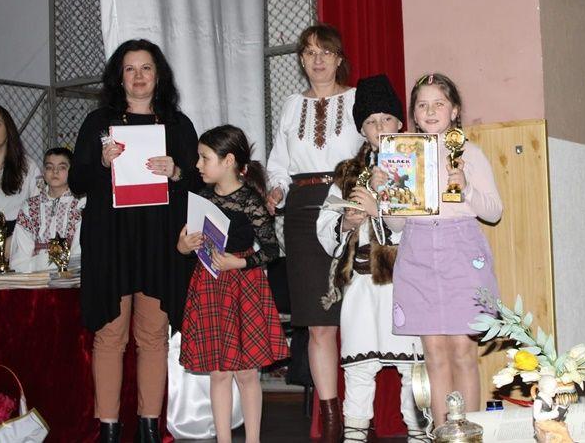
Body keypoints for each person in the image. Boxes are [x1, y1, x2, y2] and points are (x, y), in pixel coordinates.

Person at [69, 39, 199, 443]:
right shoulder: (98, 123)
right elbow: (76, 181)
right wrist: (101, 162)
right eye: (130, 68)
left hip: (159, 243)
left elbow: (199, 183)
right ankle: (109, 429)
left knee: (153, 337)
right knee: (110, 336)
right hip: (111, 243)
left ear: (158, 75)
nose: (139, 76)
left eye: (146, 68)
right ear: (118, 77)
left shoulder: (178, 125)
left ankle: (149, 428)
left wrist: (176, 171)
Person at [265, 24, 364, 441]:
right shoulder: (291, 105)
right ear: (302, 61)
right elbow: (278, 162)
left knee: (357, 319)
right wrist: (276, 188)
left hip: (350, 206)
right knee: (320, 325)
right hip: (303, 213)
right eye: (309, 53)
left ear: (339, 58)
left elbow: (375, 149)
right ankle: (331, 420)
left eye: (325, 52)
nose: (317, 60)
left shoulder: (358, 99)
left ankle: (360, 415)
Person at [316, 75, 427, 442]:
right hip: (362, 282)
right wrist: (347, 222)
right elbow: (325, 225)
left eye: (386, 119)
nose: (380, 128)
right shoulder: (348, 174)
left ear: (400, 123)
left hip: (403, 282)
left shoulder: (416, 164)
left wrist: (380, 208)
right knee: (359, 368)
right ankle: (354, 435)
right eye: (371, 121)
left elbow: (420, 227)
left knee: (413, 367)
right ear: (361, 130)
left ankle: (419, 433)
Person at [388, 73, 503, 425]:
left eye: (439, 103)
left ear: (454, 110)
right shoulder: (403, 155)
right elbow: (396, 225)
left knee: (463, 351)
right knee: (434, 354)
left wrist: (466, 187)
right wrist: (386, 197)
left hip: (460, 253)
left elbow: (494, 212)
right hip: (417, 254)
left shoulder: (470, 153)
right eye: (422, 105)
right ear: (413, 114)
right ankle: (443, 433)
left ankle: (469, 433)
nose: (430, 111)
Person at [177, 125, 288, 443]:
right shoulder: (202, 198)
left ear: (227, 161)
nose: (198, 165)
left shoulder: (250, 201)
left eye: (204, 158)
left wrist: (238, 262)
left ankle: (252, 439)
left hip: (243, 285)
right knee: (219, 371)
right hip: (210, 284)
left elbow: (271, 250)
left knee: (247, 371)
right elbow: (185, 244)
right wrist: (184, 246)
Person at [0, 103, 41, 269]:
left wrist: (15, 240)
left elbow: (38, 208)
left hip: (18, 241)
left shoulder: (28, 166)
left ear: (8, 129)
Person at [10, 147, 85, 272]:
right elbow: (20, 256)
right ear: (43, 173)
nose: (55, 171)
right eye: (49, 167)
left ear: (72, 171)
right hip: (35, 275)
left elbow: (80, 250)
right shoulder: (30, 206)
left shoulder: (81, 204)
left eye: (62, 167)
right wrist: (39, 265)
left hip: (72, 276)